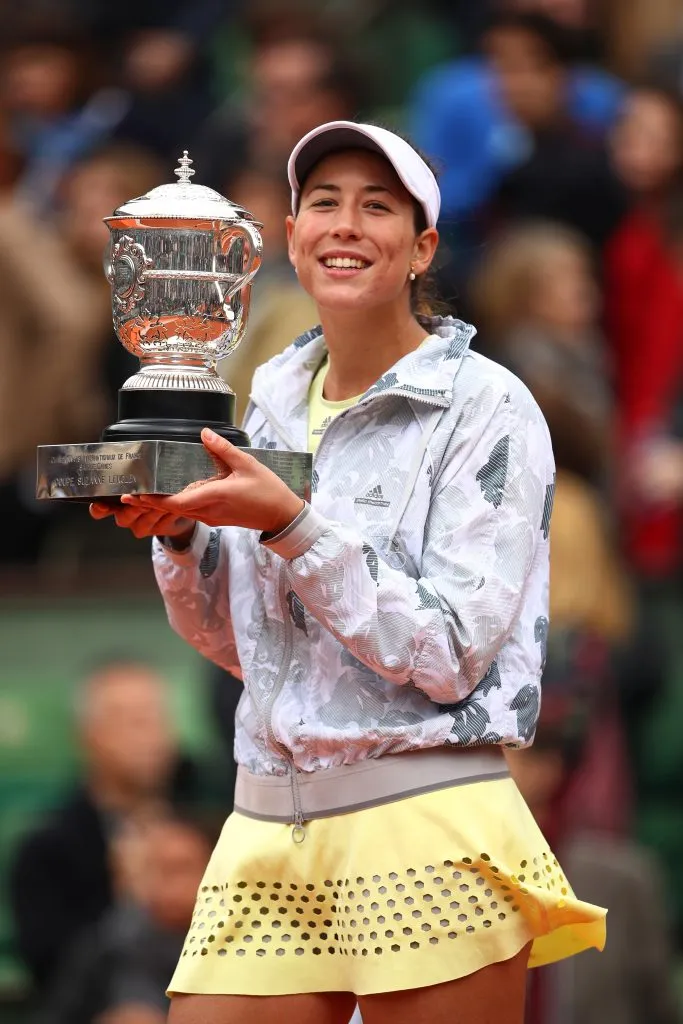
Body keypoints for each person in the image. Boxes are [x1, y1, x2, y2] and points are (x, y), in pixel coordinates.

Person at [90, 121, 606, 1023]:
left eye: (377, 207)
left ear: (422, 248)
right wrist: (179, 540)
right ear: (291, 238)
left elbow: (450, 652)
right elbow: (245, 644)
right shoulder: (270, 396)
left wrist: (291, 526)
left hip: (424, 820)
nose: (345, 225)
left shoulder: (489, 405)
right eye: (324, 203)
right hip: (265, 822)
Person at [10, 658, 203, 992]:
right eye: (134, 722)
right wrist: (131, 905)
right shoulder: (46, 852)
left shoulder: (208, 825)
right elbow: (52, 974)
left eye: (159, 718)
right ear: (88, 736)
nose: (153, 737)